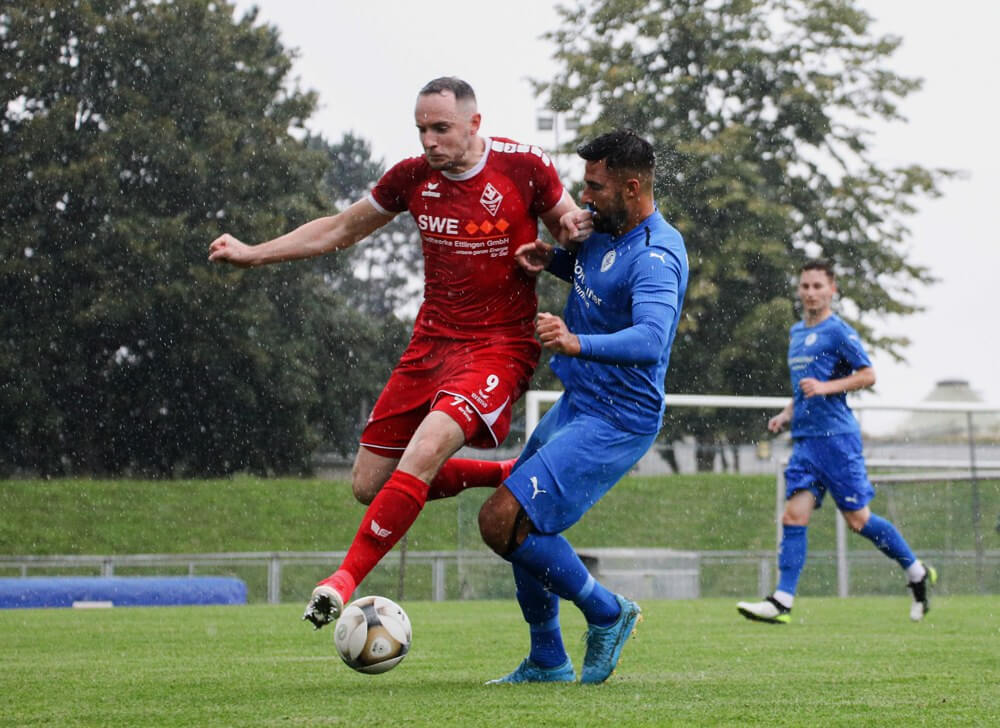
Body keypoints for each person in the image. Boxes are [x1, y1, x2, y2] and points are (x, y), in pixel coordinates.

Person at [208, 76, 579, 628]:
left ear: (474, 124)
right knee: (368, 485)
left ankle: (342, 580)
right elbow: (337, 229)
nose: (429, 141)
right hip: (430, 344)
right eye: (422, 129)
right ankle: (502, 473)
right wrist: (253, 254)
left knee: (426, 447)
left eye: (441, 128)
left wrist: (572, 237)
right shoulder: (412, 178)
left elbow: (573, 241)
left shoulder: (526, 168)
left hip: (499, 348)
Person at [477, 129, 689, 684]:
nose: (584, 196)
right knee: (519, 522)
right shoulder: (605, 230)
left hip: (618, 419)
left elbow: (650, 338)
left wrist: (575, 342)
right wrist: (552, 260)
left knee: (502, 520)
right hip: (580, 400)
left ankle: (607, 612)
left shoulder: (657, 255)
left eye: (595, 186)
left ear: (633, 186)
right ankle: (548, 659)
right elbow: (595, 277)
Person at [737, 260, 937, 624]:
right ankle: (782, 600)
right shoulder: (797, 332)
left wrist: (827, 387)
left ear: (833, 290)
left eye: (818, 286)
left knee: (858, 521)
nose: (810, 292)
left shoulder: (839, 332)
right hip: (806, 442)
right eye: (805, 286)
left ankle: (915, 570)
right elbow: (803, 389)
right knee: (792, 516)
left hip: (838, 441)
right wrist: (787, 414)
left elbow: (868, 375)